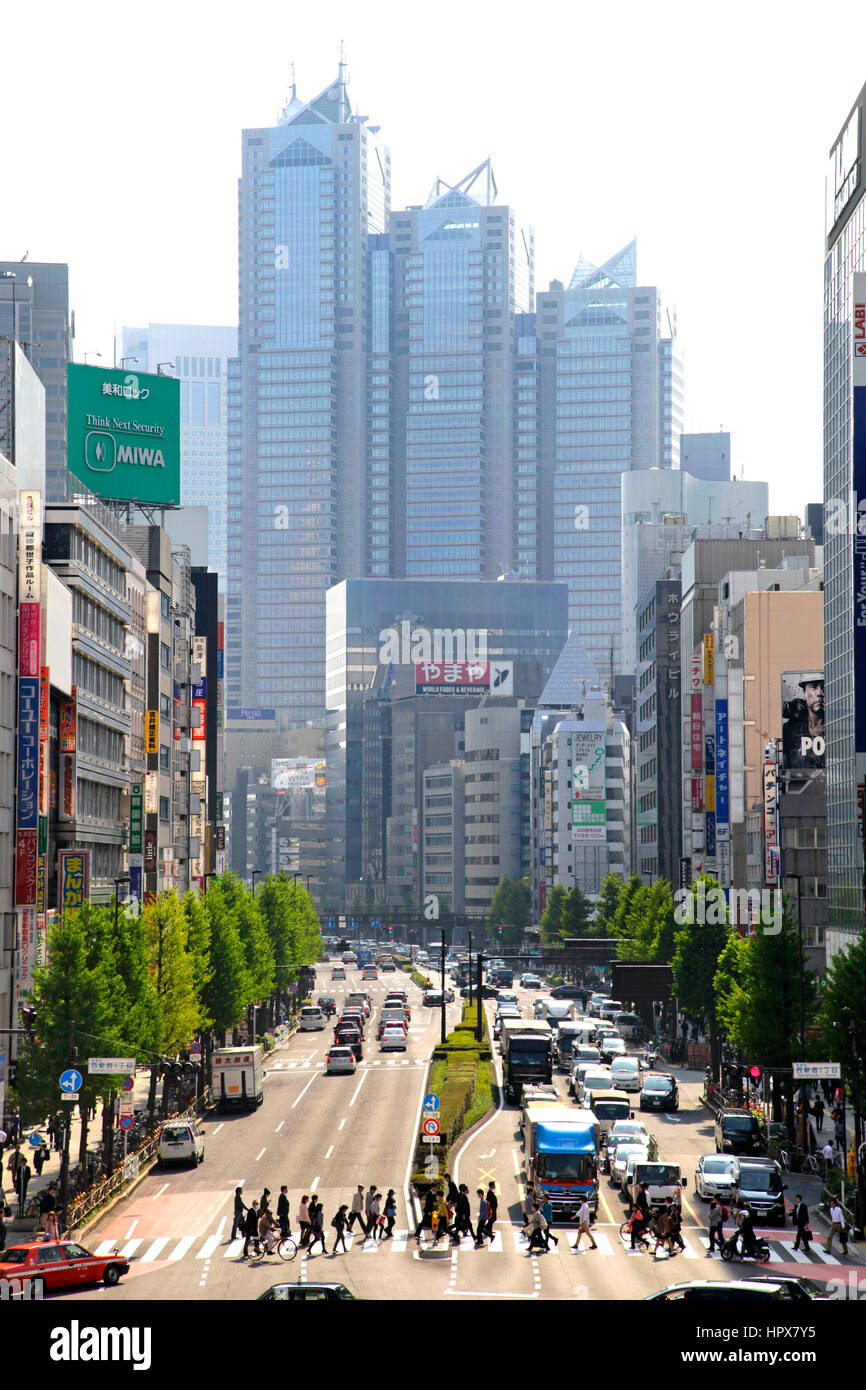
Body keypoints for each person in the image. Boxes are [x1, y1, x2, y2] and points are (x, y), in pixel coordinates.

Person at [630, 1183, 651, 1251]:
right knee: (635, 1234)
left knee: (634, 1234)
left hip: (639, 1218)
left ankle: (635, 1245)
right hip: (642, 1211)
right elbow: (644, 1202)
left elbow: (641, 1202)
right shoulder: (643, 1193)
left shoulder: (641, 1192)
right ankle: (644, 1242)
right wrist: (647, 1209)